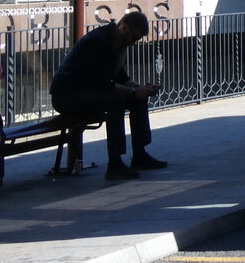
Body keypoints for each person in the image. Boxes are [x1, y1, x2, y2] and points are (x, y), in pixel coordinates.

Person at [50, 10, 166, 180]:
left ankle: (140, 155)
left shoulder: (116, 42)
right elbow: (101, 83)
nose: (133, 43)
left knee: (138, 100)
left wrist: (141, 89)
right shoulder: (97, 42)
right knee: (116, 101)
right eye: (134, 38)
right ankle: (114, 163)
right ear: (124, 28)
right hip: (67, 96)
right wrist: (134, 91)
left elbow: (121, 78)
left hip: (84, 92)